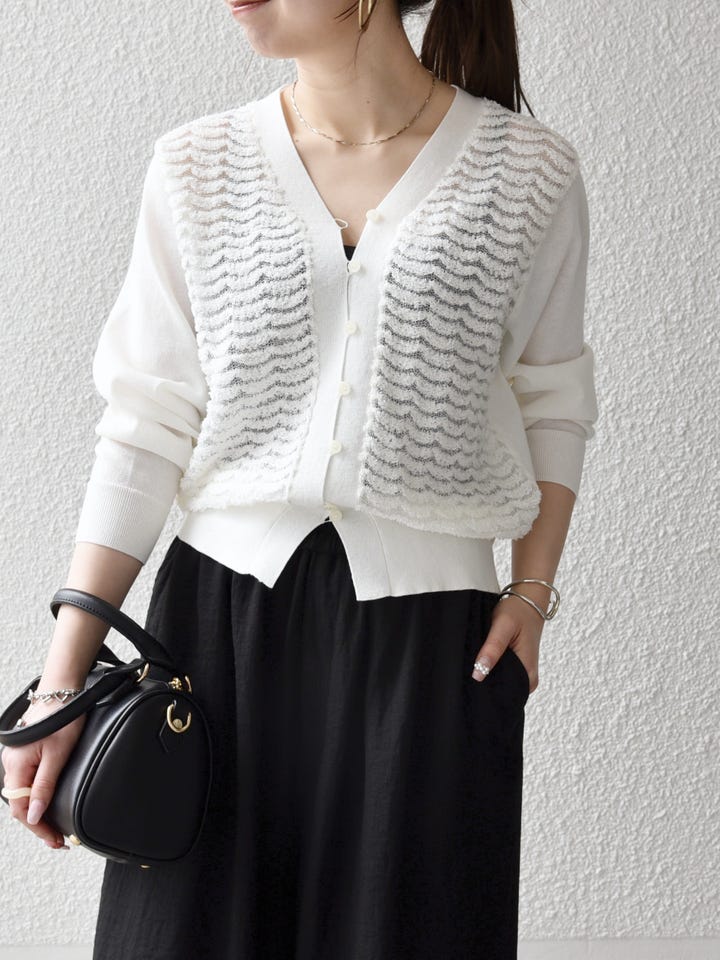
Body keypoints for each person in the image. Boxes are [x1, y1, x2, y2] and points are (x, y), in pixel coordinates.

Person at [1, 0, 599, 957]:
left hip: (431, 648)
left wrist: (531, 593)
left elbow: (554, 400)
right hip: (213, 639)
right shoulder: (197, 165)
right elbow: (146, 424)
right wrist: (61, 682)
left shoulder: (530, 173)